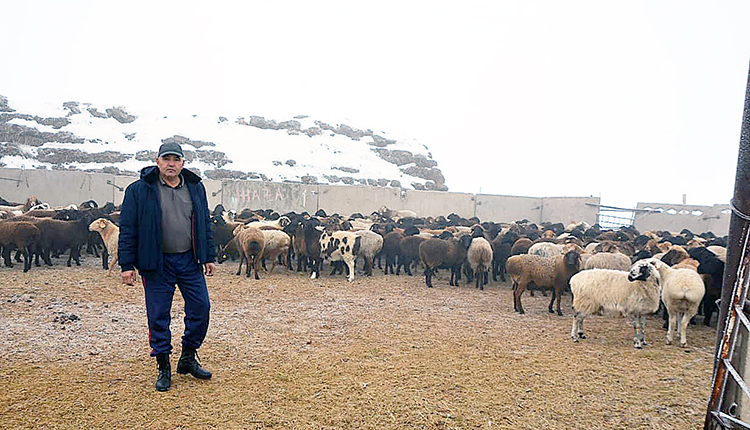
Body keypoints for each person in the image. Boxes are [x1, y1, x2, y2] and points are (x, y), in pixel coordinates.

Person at [118, 141, 216, 392]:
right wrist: (126, 264)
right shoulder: (139, 190)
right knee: (158, 314)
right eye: (166, 159)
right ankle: (163, 365)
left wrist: (208, 255)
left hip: (188, 259)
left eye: (176, 159)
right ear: (158, 161)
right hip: (156, 261)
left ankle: (187, 356)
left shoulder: (195, 187)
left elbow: (204, 222)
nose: (171, 163)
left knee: (201, 307)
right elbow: (128, 228)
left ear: (183, 163)